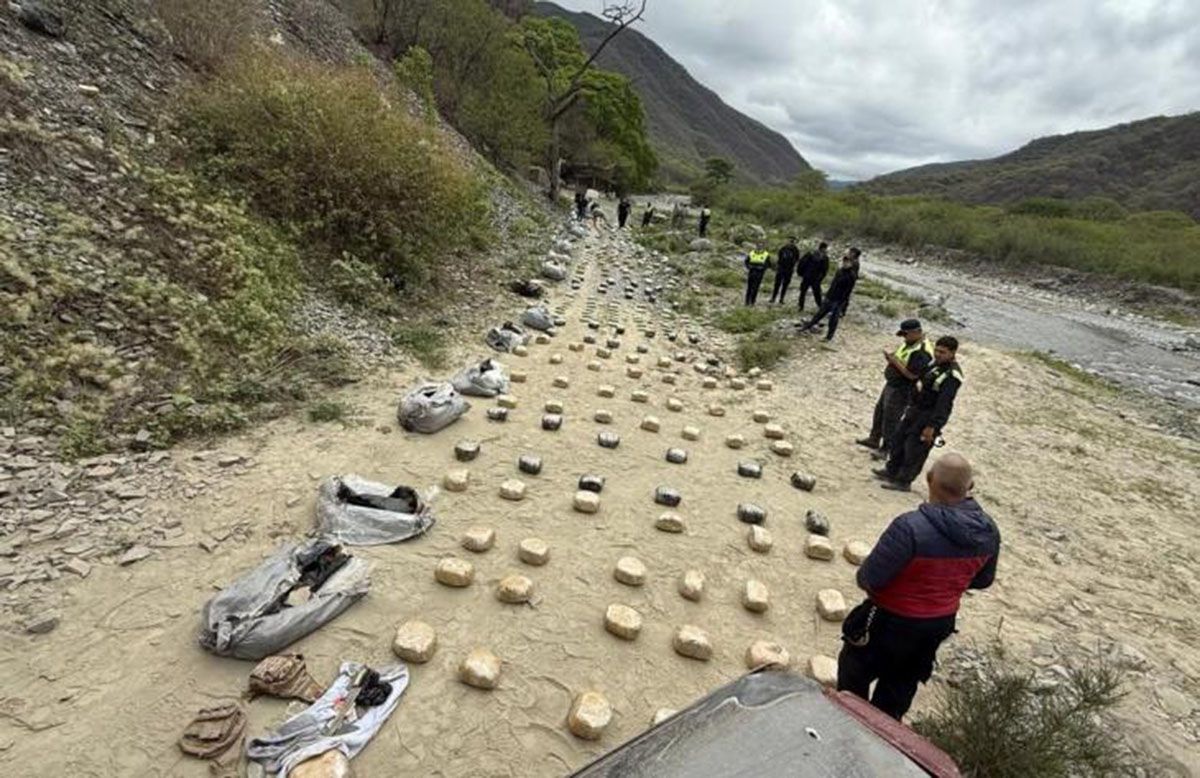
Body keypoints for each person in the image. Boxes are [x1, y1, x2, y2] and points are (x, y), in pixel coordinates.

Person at [838, 452, 1000, 721]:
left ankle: (850, 729)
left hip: (889, 620)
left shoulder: (910, 527)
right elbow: (983, 580)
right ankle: (885, 738)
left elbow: (869, 579)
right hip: (936, 625)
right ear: (970, 487)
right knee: (900, 686)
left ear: (928, 479)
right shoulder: (988, 531)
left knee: (854, 674)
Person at [874, 336, 964, 491]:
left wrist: (932, 426)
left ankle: (903, 481)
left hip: (928, 415)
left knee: (914, 449)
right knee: (899, 439)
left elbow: (944, 404)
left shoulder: (952, 376)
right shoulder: (934, 364)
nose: (937, 354)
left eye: (942, 352)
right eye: (937, 350)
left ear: (952, 353)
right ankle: (891, 471)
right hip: (915, 409)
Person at [857, 320, 934, 457]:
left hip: (902, 389)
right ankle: (874, 439)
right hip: (892, 384)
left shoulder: (921, 351)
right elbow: (902, 357)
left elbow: (912, 375)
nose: (904, 338)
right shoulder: (912, 343)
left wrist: (893, 362)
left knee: (891, 418)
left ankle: (886, 449)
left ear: (917, 332)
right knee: (880, 411)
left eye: (906, 335)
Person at [796, 248, 860, 341]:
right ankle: (806, 327)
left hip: (838, 300)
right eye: (844, 261)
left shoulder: (851, 276)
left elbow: (848, 291)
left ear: (851, 264)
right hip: (830, 297)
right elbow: (833, 284)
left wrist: (842, 302)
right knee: (818, 315)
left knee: (833, 320)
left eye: (847, 262)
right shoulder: (840, 271)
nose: (845, 263)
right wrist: (828, 294)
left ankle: (829, 337)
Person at [796, 241, 830, 312]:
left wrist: (801, 273)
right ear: (823, 248)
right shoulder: (824, 257)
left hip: (808, 276)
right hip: (814, 278)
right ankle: (820, 306)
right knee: (815, 293)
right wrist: (821, 278)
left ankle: (801, 306)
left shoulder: (811, 254)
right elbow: (825, 270)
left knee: (804, 292)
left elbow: (801, 263)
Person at [768, 236, 800, 304]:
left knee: (785, 285)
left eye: (792, 241)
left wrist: (793, 265)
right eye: (790, 241)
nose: (791, 242)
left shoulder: (795, 250)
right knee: (777, 284)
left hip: (789, 269)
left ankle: (781, 299)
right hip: (781, 268)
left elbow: (797, 259)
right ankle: (773, 298)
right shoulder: (783, 248)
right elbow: (779, 257)